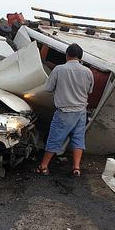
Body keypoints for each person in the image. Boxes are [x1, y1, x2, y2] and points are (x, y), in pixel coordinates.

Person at [34, 43, 94, 177]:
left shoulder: (59, 70)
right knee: (78, 139)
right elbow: (90, 90)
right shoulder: (88, 72)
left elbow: (48, 88)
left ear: (67, 55)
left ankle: (43, 166)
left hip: (64, 112)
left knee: (54, 139)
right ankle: (76, 167)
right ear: (80, 57)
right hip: (81, 112)